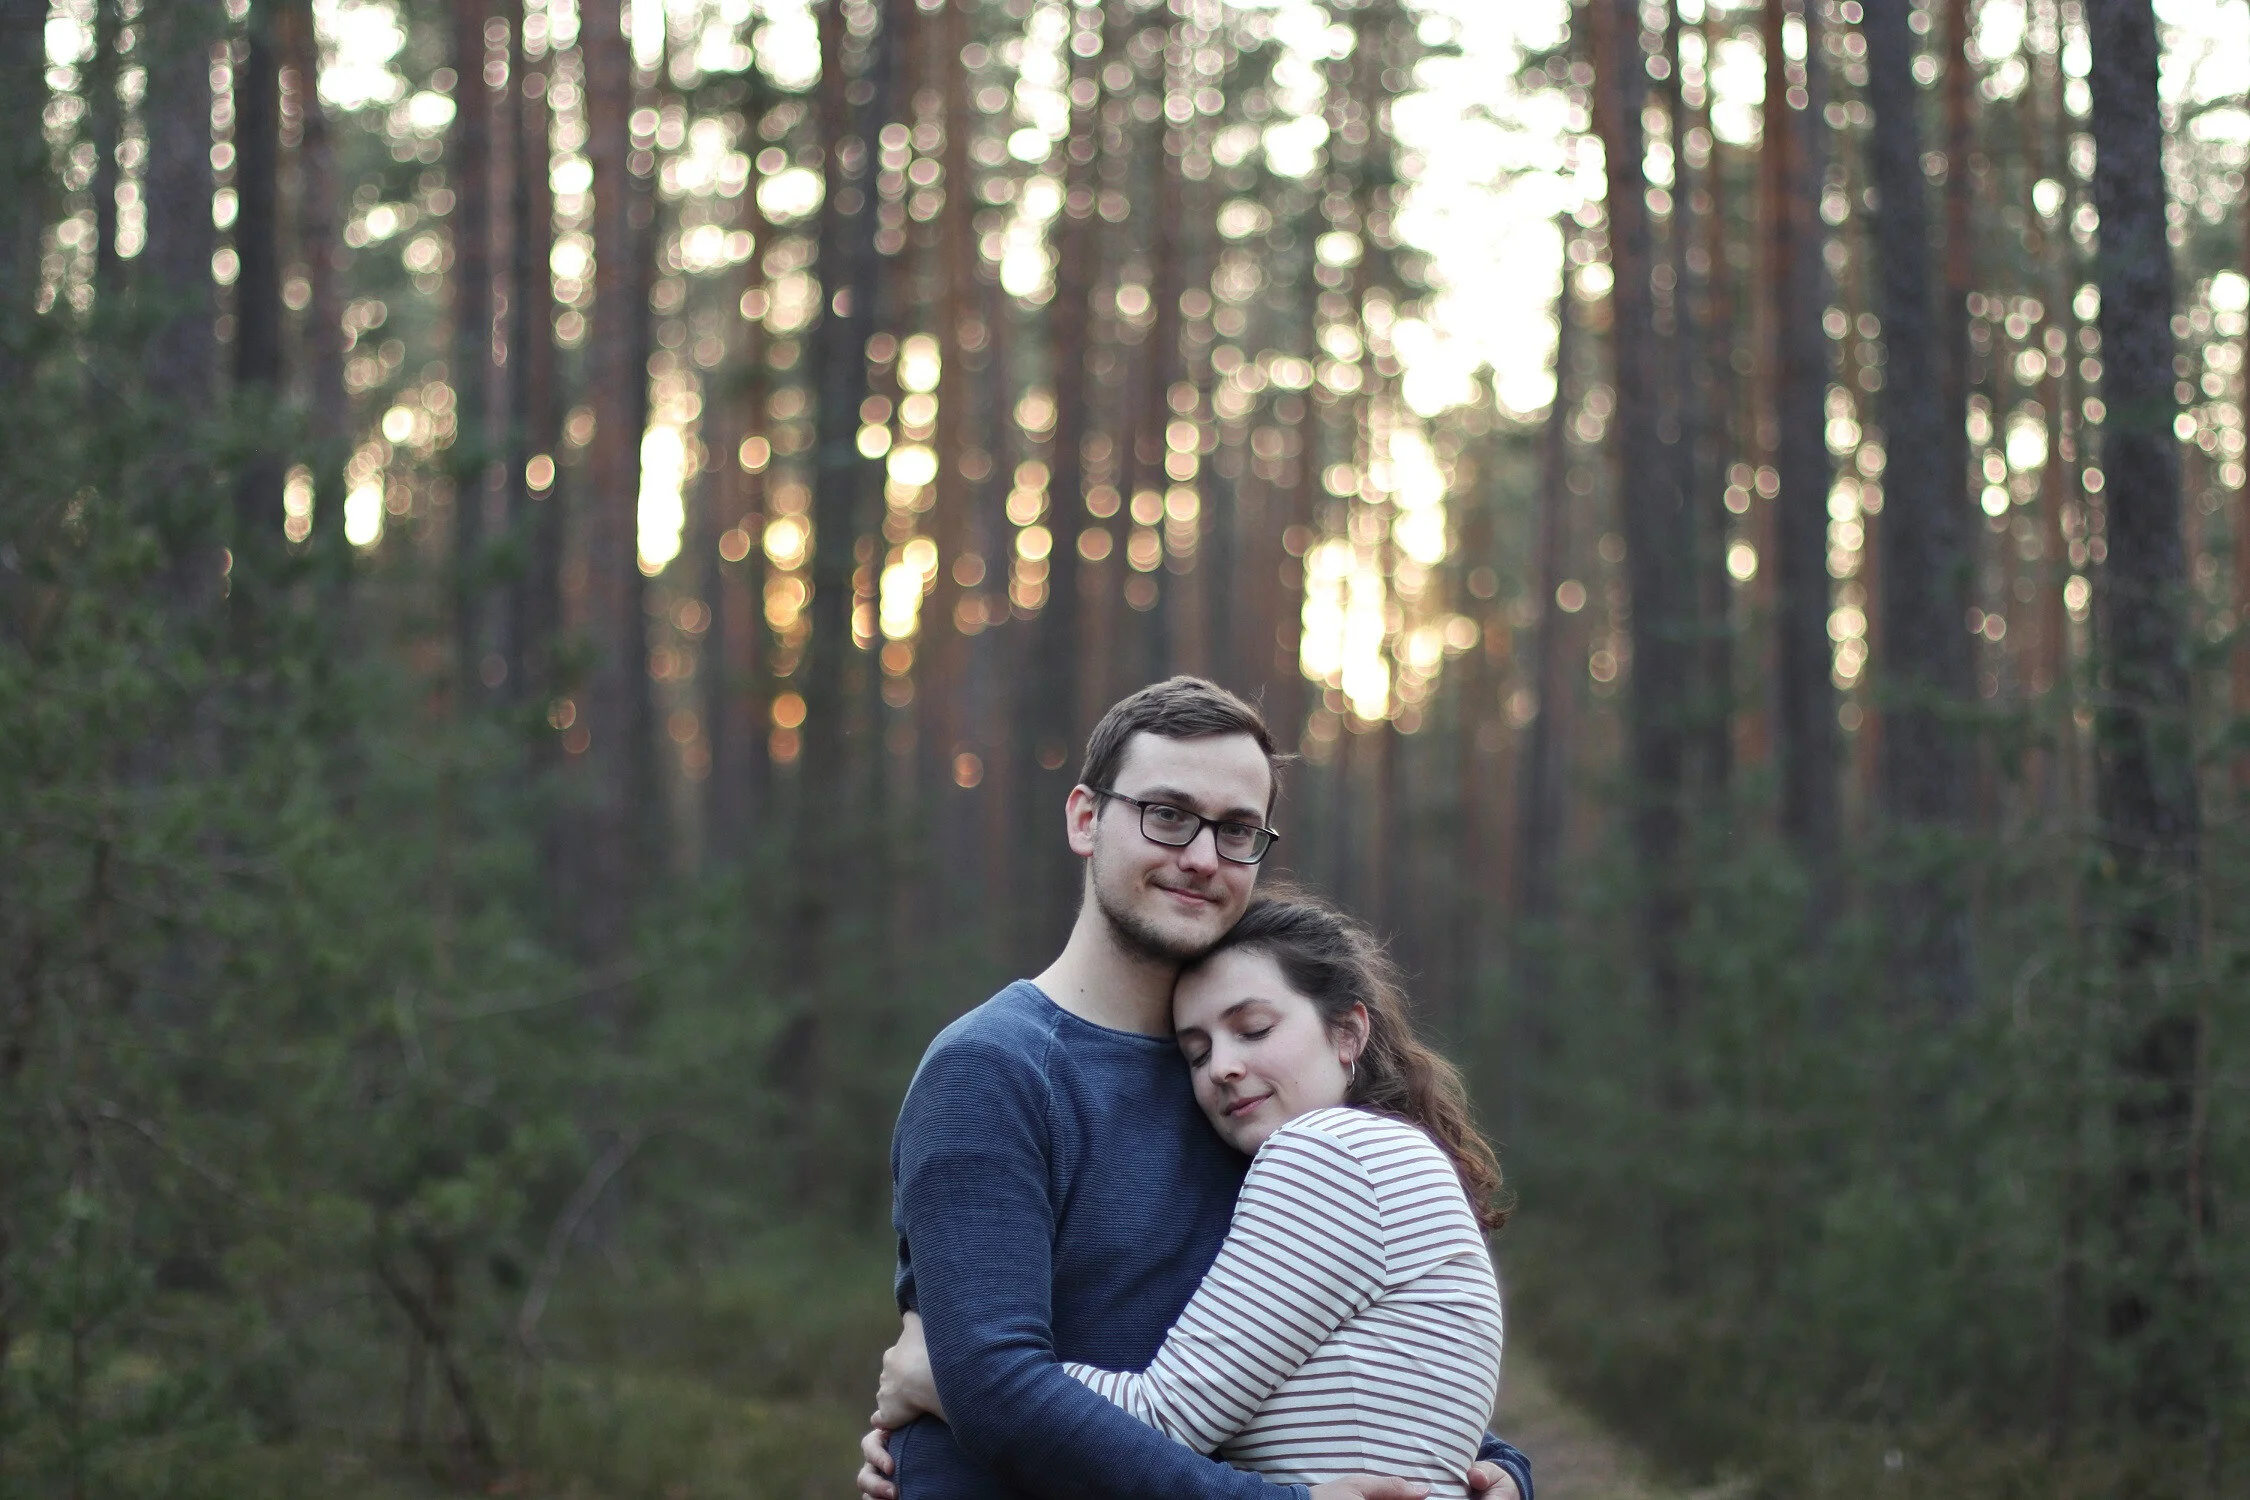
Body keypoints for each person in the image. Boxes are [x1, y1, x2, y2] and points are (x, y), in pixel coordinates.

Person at [854, 678, 1530, 1500]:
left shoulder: (1255, 1100)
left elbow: (1310, 1345)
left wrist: (1492, 1472)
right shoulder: (993, 1070)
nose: (1203, 856)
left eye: (1237, 830)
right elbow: (998, 1389)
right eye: (1167, 815)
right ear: (1085, 819)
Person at [873, 891, 1508, 1498]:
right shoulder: (1389, 1154)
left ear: (1348, 1033)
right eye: (1197, 1053)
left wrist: (954, 1378)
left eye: (1253, 1028)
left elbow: (1167, 1418)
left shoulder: (1324, 1154)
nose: (1223, 1067)